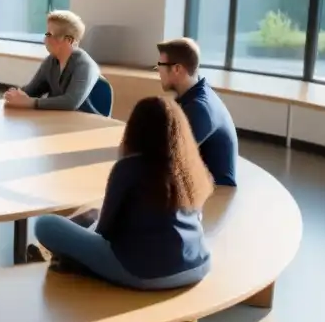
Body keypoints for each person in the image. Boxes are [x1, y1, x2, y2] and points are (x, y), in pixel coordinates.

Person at [33, 96, 215, 290]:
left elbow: (104, 231)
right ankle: (71, 253)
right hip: (197, 264)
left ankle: (72, 259)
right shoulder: (187, 167)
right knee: (92, 214)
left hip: (144, 273)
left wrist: (85, 239)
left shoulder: (128, 168)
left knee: (45, 224)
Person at [156, 37, 238, 187]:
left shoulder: (200, 109)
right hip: (198, 183)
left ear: (177, 69)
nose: (158, 71)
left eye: (160, 65)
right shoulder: (193, 94)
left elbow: (169, 158)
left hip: (216, 192)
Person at [3, 10, 101, 113]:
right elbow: (31, 91)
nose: (45, 40)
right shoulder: (51, 62)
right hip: (61, 121)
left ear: (69, 40)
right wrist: (15, 96)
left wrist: (30, 102)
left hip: (88, 123)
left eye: (49, 35)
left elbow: (70, 102)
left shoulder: (85, 65)